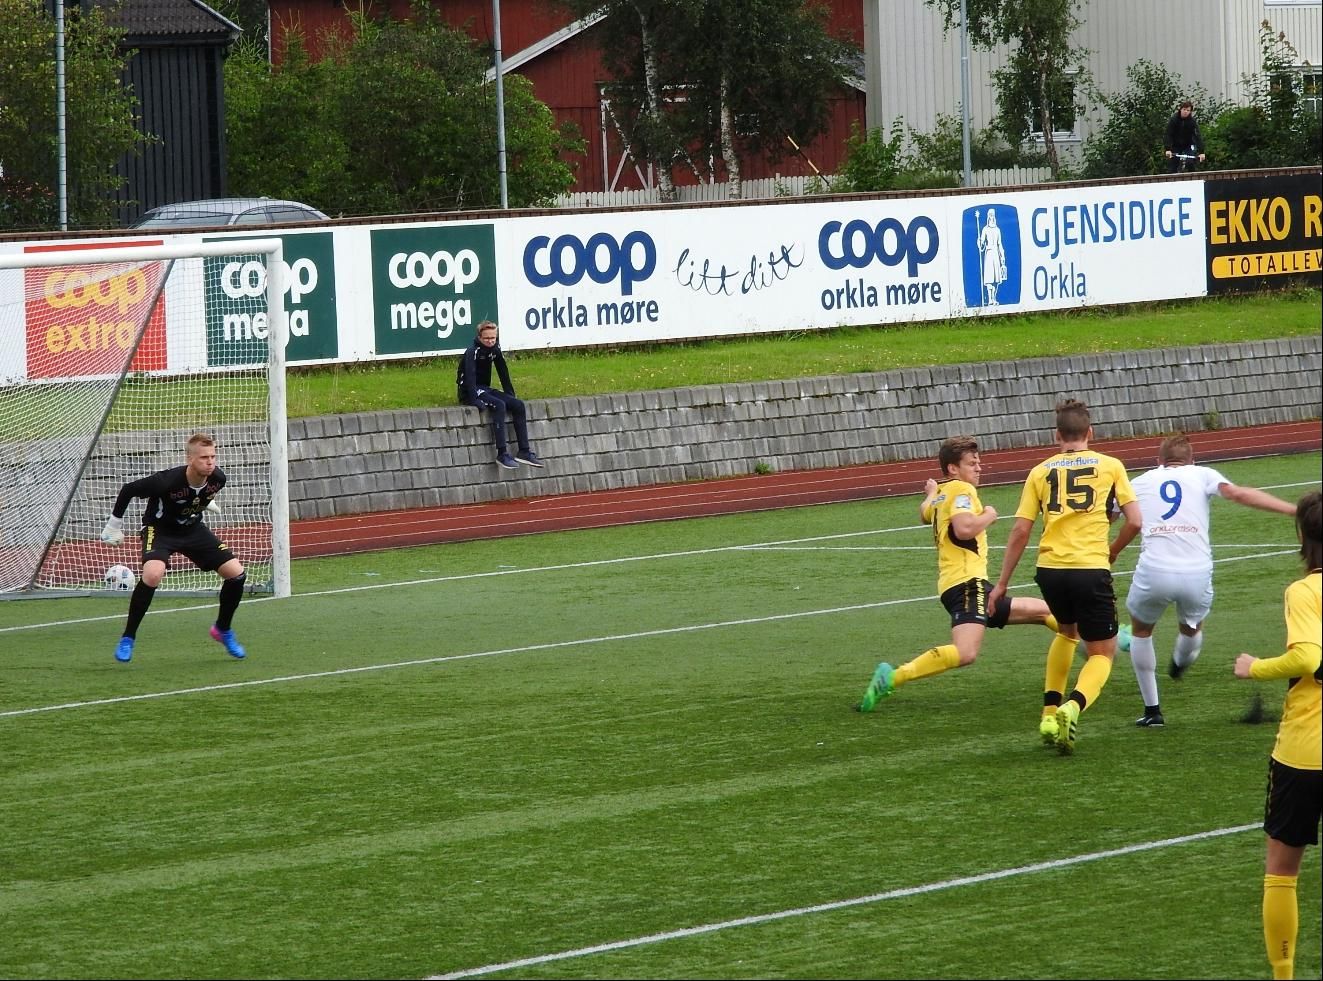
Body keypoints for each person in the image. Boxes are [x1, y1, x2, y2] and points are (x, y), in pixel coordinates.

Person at [856, 436, 1078, 713]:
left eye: (979, 462)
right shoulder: (962, 491)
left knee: (1047, 613)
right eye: (971, 463)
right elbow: (963, 529)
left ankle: (1104, 641)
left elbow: (925, 513)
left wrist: (931, 492)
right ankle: (891, 677)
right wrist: (989, 514)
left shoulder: (941, 495)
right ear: (952, 469)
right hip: (967, 585)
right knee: (966, 652)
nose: (979, 468)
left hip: (960, 585)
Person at [988, 399, 1142, 754]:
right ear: (1090, 433)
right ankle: (1073, 706)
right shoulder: (1111, 465)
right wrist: (1114, 549)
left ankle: (1048, 712)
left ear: (1056, 435)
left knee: (1067, 633)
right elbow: (1134, 520)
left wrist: (1002, 583)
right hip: (1089, 567)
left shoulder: (1039, 472)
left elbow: (1020, 531)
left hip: (1050, 570)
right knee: (1102, 653)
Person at [1110, 434, 1296, 727]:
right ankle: (1180, 664)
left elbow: (1108, 516)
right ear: (1192, 460)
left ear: (1158, 461)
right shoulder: (1203, 474)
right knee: (1192, 626)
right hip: (1196, 572)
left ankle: (1153, 711)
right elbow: (1238, 494)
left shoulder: (1139, 482)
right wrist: (1294, 510)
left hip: (1154, 569)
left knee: (1141, 631)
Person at [1233, 490, 1321, 981]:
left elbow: (1307, 659)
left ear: (1303, 537)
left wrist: (1256, 668)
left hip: (1306, 749)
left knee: (1282, 871)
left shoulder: (1304, 591)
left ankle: (1283, 975)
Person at [100, 432, 248, 662]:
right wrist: (113, 526)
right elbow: (128, 489)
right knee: (153, 574)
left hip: (192, 530)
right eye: (203, 458)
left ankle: (222, 629)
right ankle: (128, 638)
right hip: (160, 531)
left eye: (213, 456)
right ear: (190, 459)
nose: (210, 462)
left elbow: (201, 494)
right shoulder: (166, 481)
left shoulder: (218, 479)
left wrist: (203, 503)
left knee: (236, 574)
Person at [456, 320, 545, 470]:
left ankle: (524, 451)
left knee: (518, 405)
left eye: (493, 338)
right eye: (487, 338)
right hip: (469, 390)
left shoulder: (495, 349)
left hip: (485, 388)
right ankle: (502, 453)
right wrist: (474, 399)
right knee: (499, 405)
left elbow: (503, 372)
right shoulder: (472, 351)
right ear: (479, 337)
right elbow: (469, 378)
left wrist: (511, 395)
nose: (490, 341)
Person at [1164, 100, 1205, 173]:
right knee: (1173, 165)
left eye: (1188, 110)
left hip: (1189, 144)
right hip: (1176, 145)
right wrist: (1168, 149)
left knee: (1190, 162)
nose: (1186, 112)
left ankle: (1193, 178)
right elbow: (1168, 134)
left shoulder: (1192, 121)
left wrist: (1201, 152)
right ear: (1180, 109)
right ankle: (1172, 181)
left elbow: (1197, 136)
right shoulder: (1174, 120)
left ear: (1190, 112)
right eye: (1184, 109)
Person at [977, 209, 1007, 306]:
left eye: (993, 215)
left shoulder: (997, 230)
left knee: (996, 279)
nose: (992, 217)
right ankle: (990, 299)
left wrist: (1002, 256)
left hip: (996, 255)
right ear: (988, 216)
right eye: (990, 215)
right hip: (989, 253)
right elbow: (982, 244)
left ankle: (994, 298)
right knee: (990, 277)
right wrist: (979, 242)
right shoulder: (985, 229)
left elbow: (1000, 244)